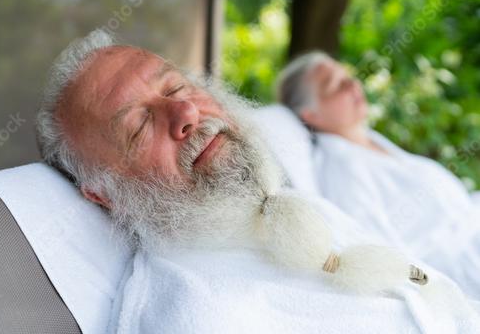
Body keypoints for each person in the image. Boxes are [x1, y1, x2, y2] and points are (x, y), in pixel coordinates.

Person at [34, 31, 479, 332]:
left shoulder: (282, 208)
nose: (186, 113)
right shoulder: (197, 316)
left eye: (175, 89)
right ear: (103, 194)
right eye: (137, 127)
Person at [277, 51, 480, 299]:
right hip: (462, 265)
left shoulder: (371, 142)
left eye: (348, 77)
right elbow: (373, 247)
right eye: (337, 85)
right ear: (312, 115)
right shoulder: (343, 167)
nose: (353, 84)